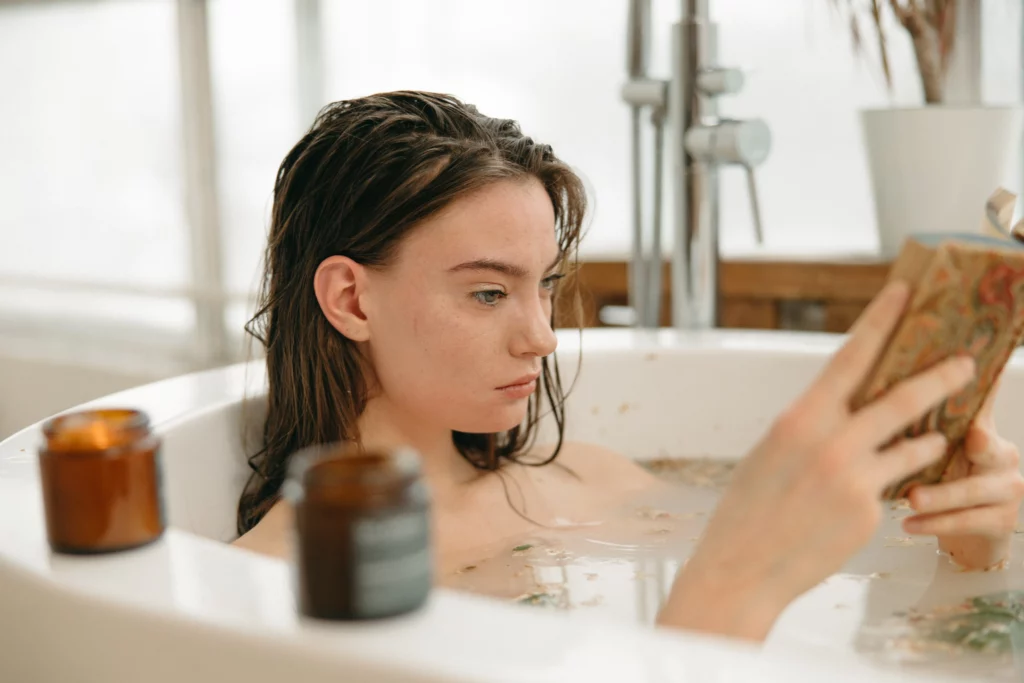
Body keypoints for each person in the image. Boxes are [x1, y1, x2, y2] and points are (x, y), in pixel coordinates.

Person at [232, 91, 1024, 641]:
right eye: (485, 292)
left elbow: (826, 565)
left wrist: (967, 549)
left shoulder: (594, 480)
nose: (541, 337)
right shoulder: (266, 587)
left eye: (543, 286)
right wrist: (731, 582)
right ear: (350, 299)